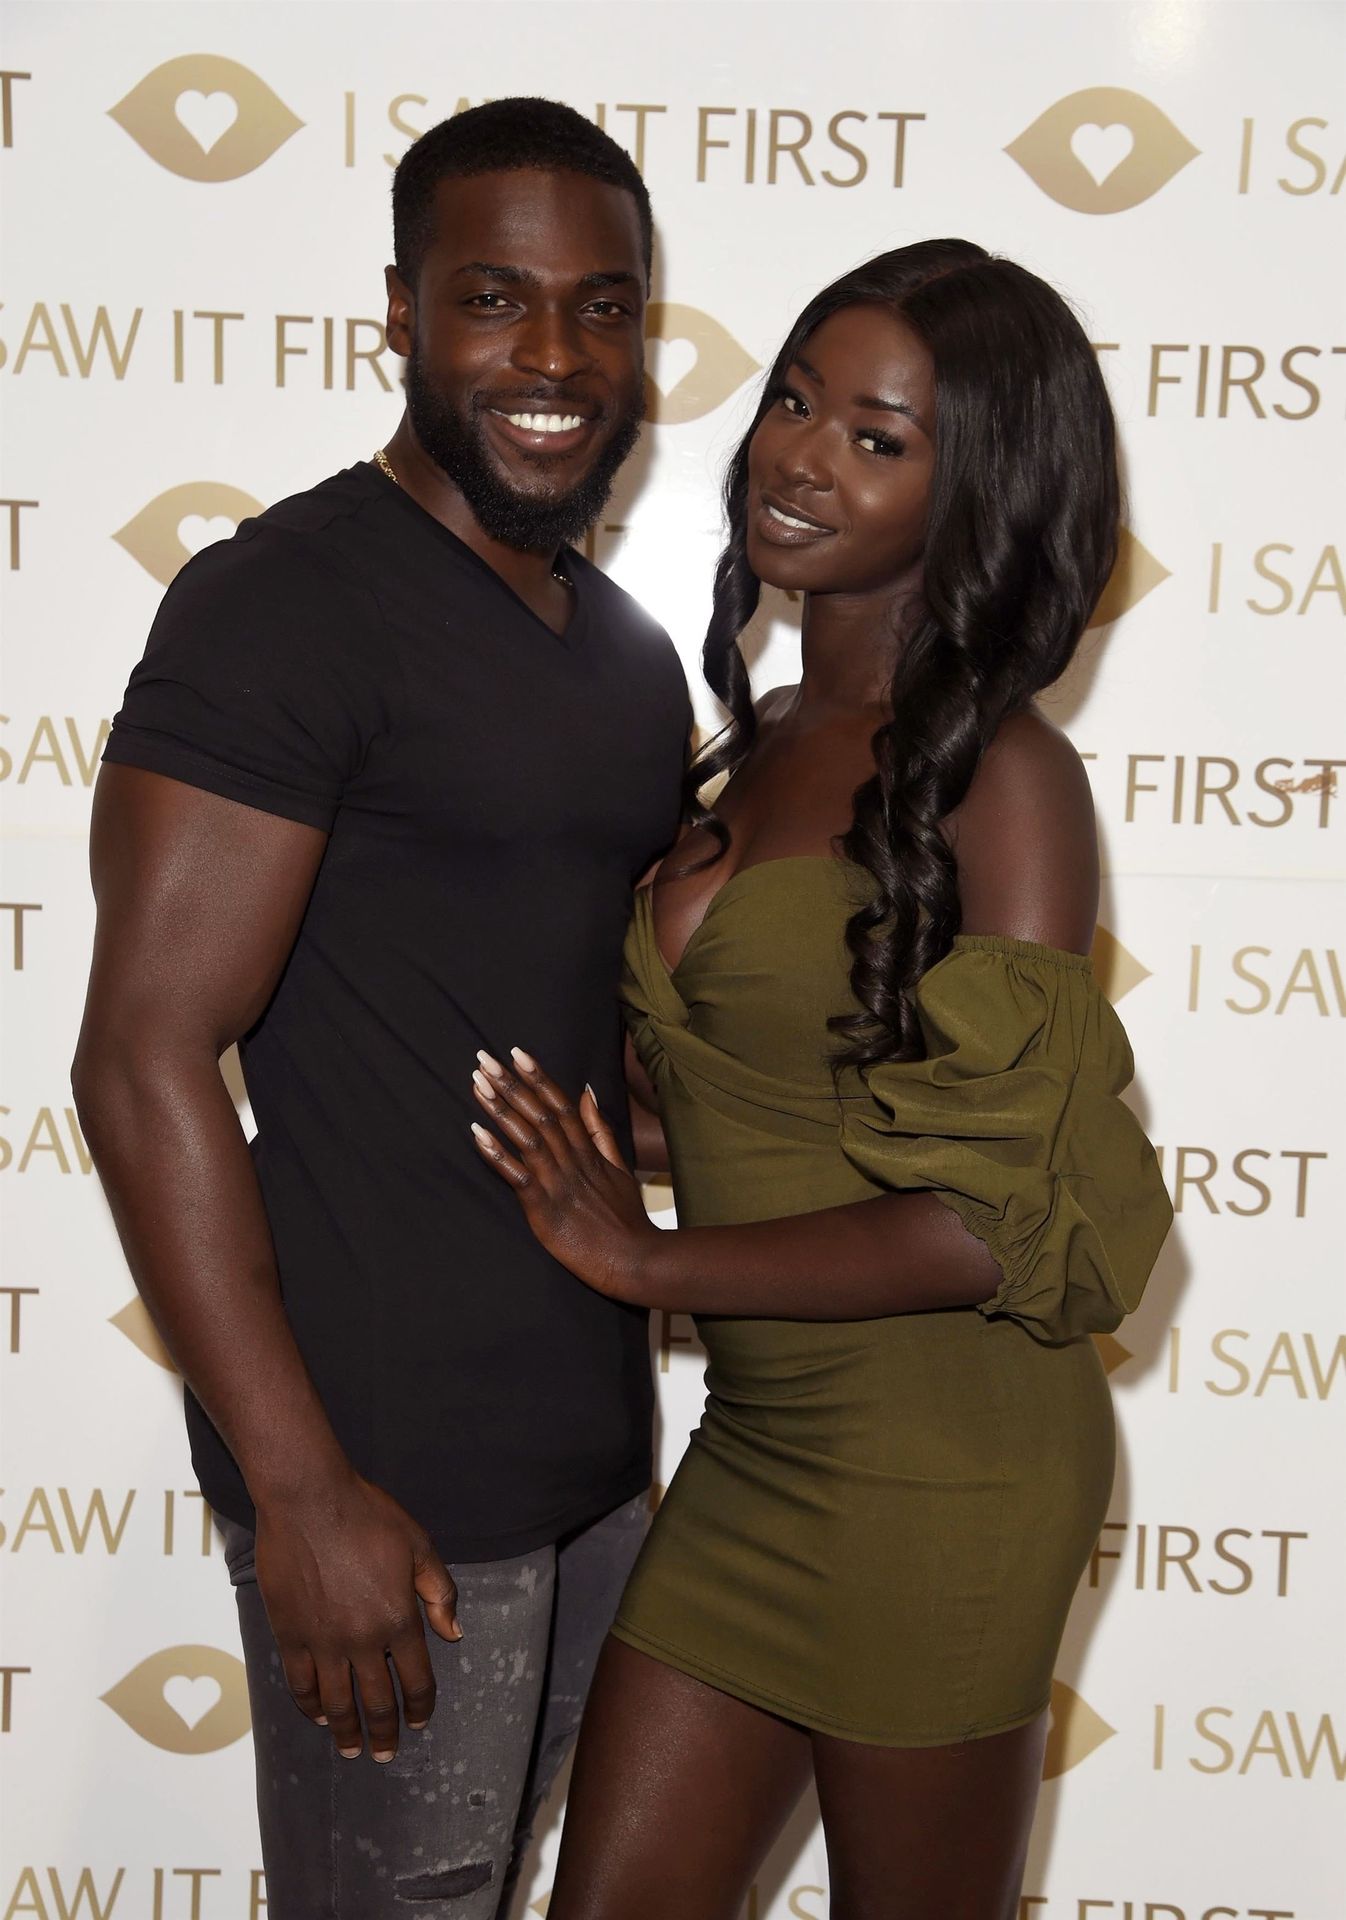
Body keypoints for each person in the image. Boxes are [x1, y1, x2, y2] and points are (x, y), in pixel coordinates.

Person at [469, 238, 1174, 1918]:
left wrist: (640, 1260)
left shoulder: (1005, 778)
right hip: (757, 1452)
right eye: (793, 402)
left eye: (876, 438)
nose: (799, 458)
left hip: (951, 1469)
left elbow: (985, 1223)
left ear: (974, 488)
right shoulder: (754, 742)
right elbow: (758, 1110)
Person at [72, 98, 688, 1920]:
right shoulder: (284, 606)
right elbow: (142, 1057)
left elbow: (581, 1044)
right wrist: (302, 1493)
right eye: (496, 300)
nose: (555, 356)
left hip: (599, 1467)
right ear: (403, 312)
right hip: (387, 1481)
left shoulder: (630, 656)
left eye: (602, 306)